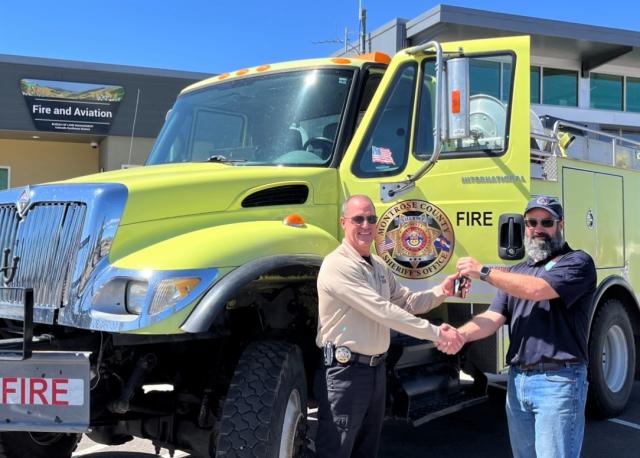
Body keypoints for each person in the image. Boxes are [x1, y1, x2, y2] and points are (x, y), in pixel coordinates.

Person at [314, 194, 466, 458]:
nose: (365, 225)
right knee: (335, 451)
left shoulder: (379, 266)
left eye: (371, 218)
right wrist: (435, 333)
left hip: (374, 371)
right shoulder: (337, 265)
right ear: (343, 223)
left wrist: (442, 290)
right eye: (357, 219)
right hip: (345, 374)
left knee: (367, 450)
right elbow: (383, 311)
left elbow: (406, 302)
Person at [449, 196, 596, 458]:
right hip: (518, 382)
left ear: (560, 224)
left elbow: (537, 290)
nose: (538, 228)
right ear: (524, 226)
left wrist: (482, 271)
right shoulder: (517, 271)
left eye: (546, 222)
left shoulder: (577, 262)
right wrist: (458, 335)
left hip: (559, 381)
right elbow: (493, 317)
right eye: (532, 222)